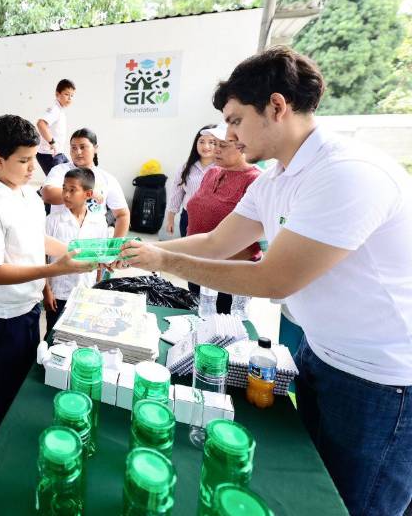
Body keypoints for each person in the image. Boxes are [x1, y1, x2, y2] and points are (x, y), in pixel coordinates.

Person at [116, 46, 412, 516]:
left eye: (235, 120)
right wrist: (137, 253)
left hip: (381, 380)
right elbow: (216, 242)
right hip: (321, 353)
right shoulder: (276, 178)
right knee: (315, 492)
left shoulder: (346, 173)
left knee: (356, 503)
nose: (226, 134)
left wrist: (161, 261)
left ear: (276, 106)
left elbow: (275, 279)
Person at [0, 114, 95, 448]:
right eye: (24, 161)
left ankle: (12, 431)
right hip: (0, 315)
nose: (32, 168)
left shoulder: (26, 194)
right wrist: (56, 271)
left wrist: (76, 252)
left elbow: (36, 240)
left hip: (27, 307)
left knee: (23, 377)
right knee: (2, 384)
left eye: (33, 159)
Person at [184, 122, 262, 313]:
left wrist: (213, 261)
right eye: (214, 143)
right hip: (196, 264)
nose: (215, 150)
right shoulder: (212, 172)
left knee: (223, 326)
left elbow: (257, 240)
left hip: (230, 272)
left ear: (242, 146)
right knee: (197, 316)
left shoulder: (256, 180)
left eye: (223, 145)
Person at [43, 167, 108, 335]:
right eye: (64, 188)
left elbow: (99, 258)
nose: (65, 194)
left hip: (86, 292)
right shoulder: (52, 221)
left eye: (72, 190)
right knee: (54, 335)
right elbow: (42, 257)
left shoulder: (99, 222)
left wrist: (97, 287)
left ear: (88, 194)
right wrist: (47, 291)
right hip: (59, 294)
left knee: (81, 334)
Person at [41, 128, 131, 237]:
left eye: (83, 147)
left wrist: (115, 247)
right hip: (63, 237)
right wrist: (87, 194)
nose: (78, 152)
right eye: (73, 148)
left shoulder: (107, 178)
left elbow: (122, 214)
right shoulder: (60, 171)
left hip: (95, 242)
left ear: (95, 148)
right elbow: (48, 194)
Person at [164, 125, 216, 237]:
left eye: (211, 142)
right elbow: (176, 193)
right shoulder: (186, 167)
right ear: (196, 144)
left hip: (214, 219)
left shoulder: (223, 168)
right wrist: (170, 219)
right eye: (201, 141)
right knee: (187, 252)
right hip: (188, 217)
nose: (206, 146)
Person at [35, 79, 75, 176]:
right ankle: (41, 191)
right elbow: (41, 124)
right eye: (66, 94)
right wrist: (52, 142)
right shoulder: (55, 109)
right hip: (48, 154)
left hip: (58, 153)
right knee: (57, 182)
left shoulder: (60, 110)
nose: (69, 98)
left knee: (71, 175)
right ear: (57, 94)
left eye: (72, 95)